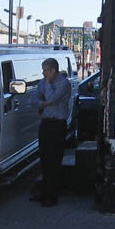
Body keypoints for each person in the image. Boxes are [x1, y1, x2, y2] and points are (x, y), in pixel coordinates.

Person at [31, 57, 71, 207]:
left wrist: (48, 88)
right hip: (46, 123)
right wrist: (44, 103)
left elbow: (53, 99)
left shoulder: (63, 83)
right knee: (44, 158)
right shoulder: (42, 82)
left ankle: (52, 195)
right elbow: (34, 100)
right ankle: (44, 191)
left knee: (54, 160)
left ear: (53, 70)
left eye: (46, 70)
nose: (44, 74)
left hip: (57, 124)